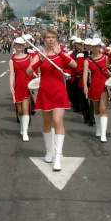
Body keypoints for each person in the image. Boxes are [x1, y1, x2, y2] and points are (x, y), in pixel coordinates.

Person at [27, 27, 77, 171]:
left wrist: (60, 53)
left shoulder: (61, 53)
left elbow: (74, 65)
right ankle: (49, 150)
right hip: (45, 92)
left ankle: (58, 157)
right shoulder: (40, 54)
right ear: (44, 40)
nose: (50, 40)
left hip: (59, 92)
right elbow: (29, 70)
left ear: (56, 39)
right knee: (47, 123)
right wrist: (40, 61)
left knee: (57, 121)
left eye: (52, 37)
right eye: (48, 37)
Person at [82, 38, 111, 142]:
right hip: (94, 86)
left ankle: (103, 133)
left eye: (97, 46)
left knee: (103, 109)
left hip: (104, 85)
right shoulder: (87, 60)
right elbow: (85, 74)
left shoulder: (105, 57)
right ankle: (98, 128)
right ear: (91, 47)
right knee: (96, 110)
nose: (95, 48)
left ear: (99, 47)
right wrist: (85, 86)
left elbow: (106, 71)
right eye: (93, 46)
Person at [9, 37, 33, 141]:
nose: (19, 46)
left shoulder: (29, 57)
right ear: (14, 45)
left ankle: (25, 132)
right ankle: (22, 126)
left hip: (28, 85)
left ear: (24, 46)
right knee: (19, 111)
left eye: (21, 44)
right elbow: (12, 75)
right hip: (18, 86)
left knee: (25, 109)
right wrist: (11, 86)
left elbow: (32, 70)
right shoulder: (12, 60)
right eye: (17, 44)